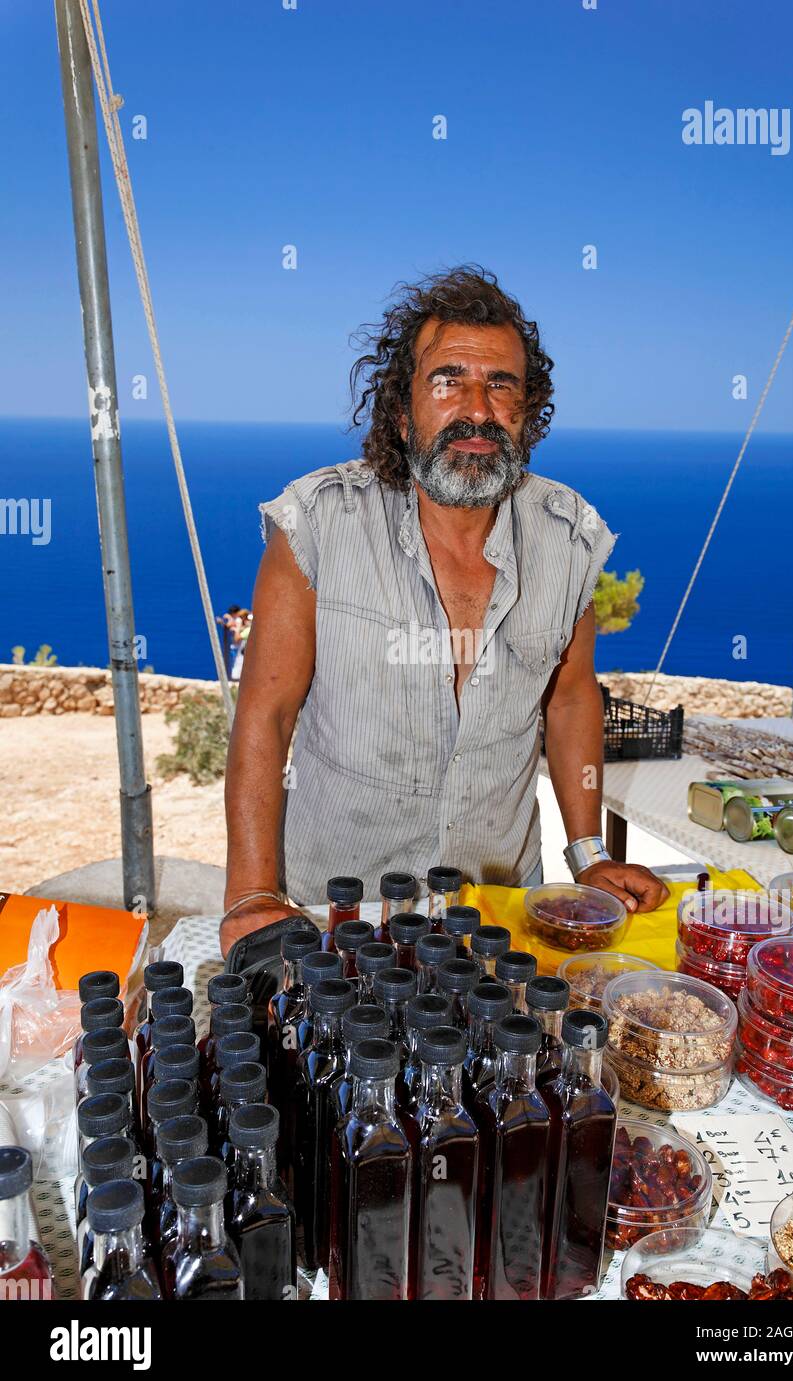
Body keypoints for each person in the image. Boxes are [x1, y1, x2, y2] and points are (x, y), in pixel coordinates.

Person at [221, 267, 668, 954]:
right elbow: (265, 712)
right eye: (447, 380)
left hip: (499, 905)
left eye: (501, 385)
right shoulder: (317, 523)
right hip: (340, 905)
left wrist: (587, 855)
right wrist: (252, 893)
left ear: (527, 412)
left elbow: (570, 698)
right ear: (402, 411)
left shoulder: (568, 534)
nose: (477, 409)